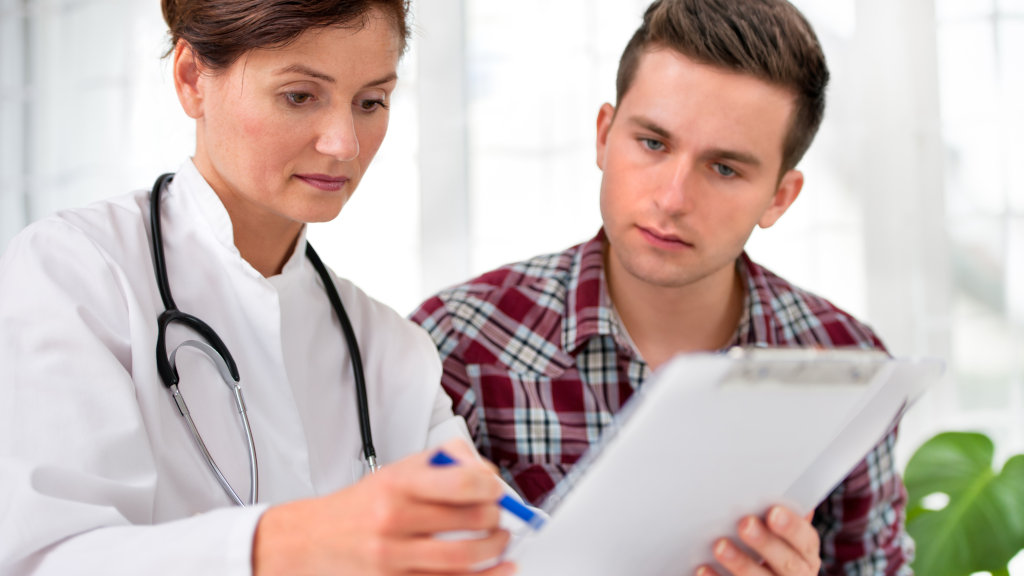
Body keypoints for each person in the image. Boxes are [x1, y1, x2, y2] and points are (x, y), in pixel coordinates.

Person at [0, 1, 517, 575]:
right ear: (192, 78)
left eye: (370, 102)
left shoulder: (389, 346)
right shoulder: (76, 271)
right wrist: (291, 543)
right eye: (299, 96)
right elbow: (45, 559)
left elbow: (492, 542)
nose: (344, 143)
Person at [410, 0, 911, 574]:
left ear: (779, 197)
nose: (672, 199)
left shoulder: (847, 366)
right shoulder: (455, 343)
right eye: (652, 143)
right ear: (604, 135)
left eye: (724, 168)